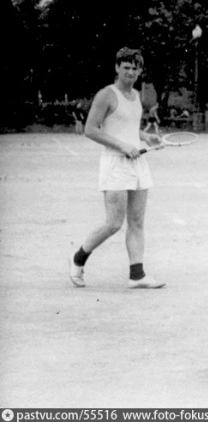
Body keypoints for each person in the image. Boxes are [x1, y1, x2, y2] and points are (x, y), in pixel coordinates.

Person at [69, 47, 165, 289]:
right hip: (114, 163)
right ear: (117, 68)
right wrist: (122, 146)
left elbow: (129, 129)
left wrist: (145, 137)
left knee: (137, 222)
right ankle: (78, 258)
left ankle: (137, 275)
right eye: (126, 67)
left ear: (140, 71)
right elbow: (91, 129)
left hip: (137, 162)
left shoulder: (136, 97)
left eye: (135, 68)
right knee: (113, 223)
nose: (131, 72)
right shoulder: (106, 95)